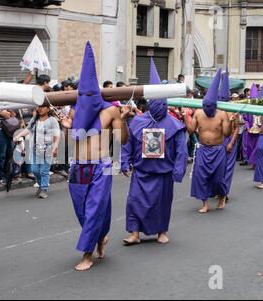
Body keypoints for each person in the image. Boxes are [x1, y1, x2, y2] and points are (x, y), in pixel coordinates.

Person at [61, 42, 129, 271]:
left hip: (102, 166)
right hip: (78, 166)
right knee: (83, 209)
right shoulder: (74, 111)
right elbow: (73, 141)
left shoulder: (111, 110)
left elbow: (124, 140)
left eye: (91, 93)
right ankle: (100, 237)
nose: (87, 97)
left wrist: (124, 119)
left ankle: (87, 255)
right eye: (83, 93)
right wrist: (66, 127)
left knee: (94, 208)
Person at [121, 58, 187, 245]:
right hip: (141, 173)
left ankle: (161, 231)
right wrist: (124, 161)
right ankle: (134, 233)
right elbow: (128, 142)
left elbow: (181, 150)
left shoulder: (175, 125)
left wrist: (178, 170)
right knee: (134, 201)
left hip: (163, 174)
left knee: (162, 204)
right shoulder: (138, 121)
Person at [183, 69, 232, 213]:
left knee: (218, 178)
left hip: (218, 150)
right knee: (200, 176)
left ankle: (222, 196)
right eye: (205, 106)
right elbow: (191, 130)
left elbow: (227, 133)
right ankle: (205, 204)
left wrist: (230, 122)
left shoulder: (222, 114)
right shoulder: (198, 113)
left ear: (215, 105)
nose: (207, 109)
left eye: (210, 106)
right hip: (203, 149)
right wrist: (186, 118)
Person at [13, 105, 60, 198]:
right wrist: (19, 136)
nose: (40, 109)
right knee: (34, 170)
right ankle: (40, 184)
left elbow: (57, 135)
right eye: (39, 107)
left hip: (47, 149)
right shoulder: (35, 119)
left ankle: (44, 189)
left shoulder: (52, 120)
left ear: (47, 109)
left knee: (44, 171)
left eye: (43, 107)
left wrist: (55, 147)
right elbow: (27, 129)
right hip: (35, 149)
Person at [217, 68, 239, 201]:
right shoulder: (215, 110)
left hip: (230, 141)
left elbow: (236, 128)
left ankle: (224, 193)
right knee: (217, 166)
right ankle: (217, 189)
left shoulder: (234, 111)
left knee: (228, 168)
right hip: (218, 141)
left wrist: (231, 143)